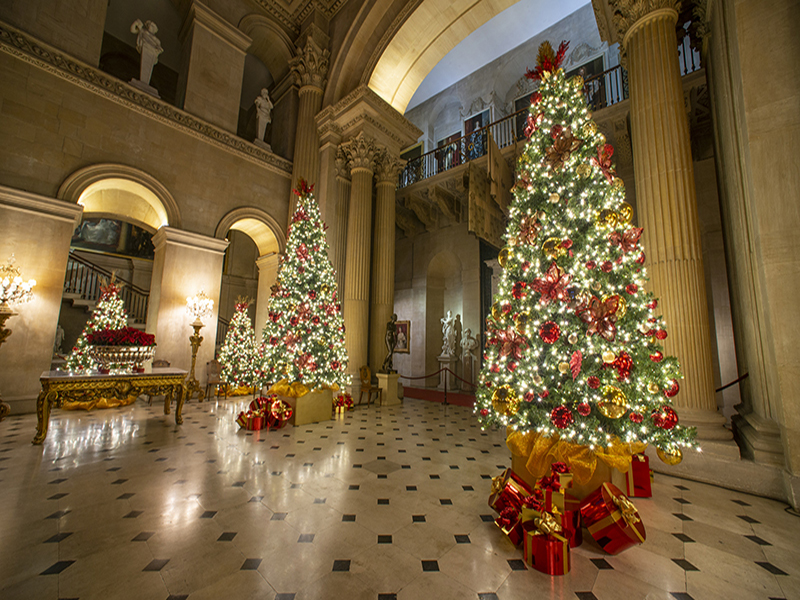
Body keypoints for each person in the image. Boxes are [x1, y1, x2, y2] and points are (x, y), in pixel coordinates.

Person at [130, 19, 163, 86]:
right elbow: (133, 30)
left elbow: (159, 49)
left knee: (148, 69)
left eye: (152, 26)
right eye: (149, 25)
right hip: (145, 47)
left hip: (152, 52)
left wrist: (158, 50)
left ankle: (144, 82)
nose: (150, 26)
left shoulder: (157, 40)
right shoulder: (143, 31)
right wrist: (136, 23)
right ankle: (143, 82)